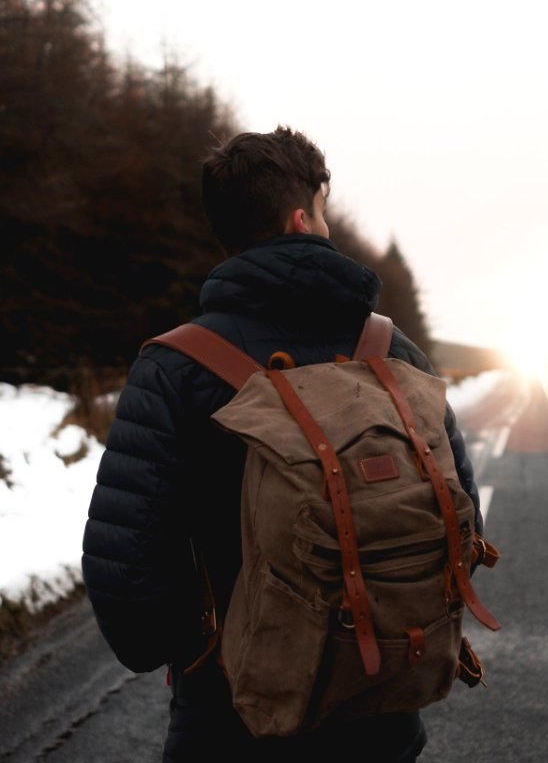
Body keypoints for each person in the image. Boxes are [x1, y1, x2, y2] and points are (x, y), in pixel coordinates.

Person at [82, 126, 484, 762]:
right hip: (382, 709)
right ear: (303, 217)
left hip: (233, 719)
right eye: (324, 209)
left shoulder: (173, 369)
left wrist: (202, 652)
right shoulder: (391, 352)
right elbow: (461, 518)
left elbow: (126, 572)